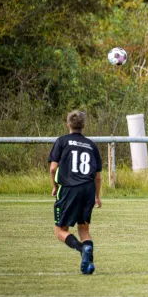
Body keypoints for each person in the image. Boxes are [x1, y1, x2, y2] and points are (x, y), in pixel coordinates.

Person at [48, 110, 102, 274]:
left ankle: (81, 249)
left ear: (68, 124)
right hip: (87, 189)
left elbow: (53, 168)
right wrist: (97, 196)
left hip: (69, 189)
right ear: (83, 126)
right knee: (84, 230)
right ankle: (88, 266)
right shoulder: (91, 145)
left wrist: (55, 186)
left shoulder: (62, 141)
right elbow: (98, 177)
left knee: (60, 231)